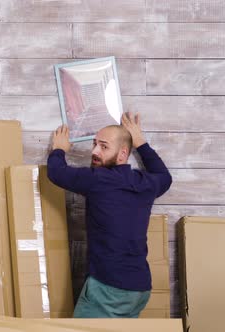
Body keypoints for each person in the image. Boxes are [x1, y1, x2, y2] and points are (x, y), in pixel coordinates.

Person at [47, 112, 172, 318]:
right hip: (139, 290)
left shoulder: (98, 180)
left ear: (122, 154)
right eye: (94, 144)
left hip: (109, 288)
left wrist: (59, 149)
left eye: (104, 146)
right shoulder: (145, 183)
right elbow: (164, 177)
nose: (95, 151)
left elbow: (56, 172)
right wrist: (139, 140)